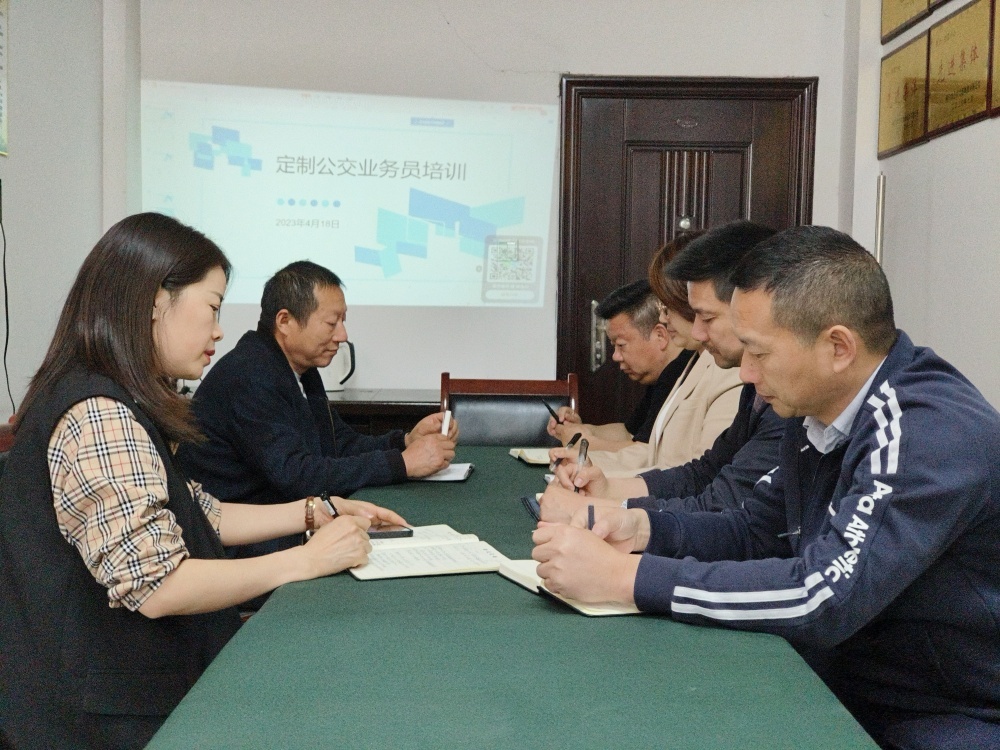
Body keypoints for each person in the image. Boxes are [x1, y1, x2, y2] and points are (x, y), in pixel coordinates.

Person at [532, 225, 1000, 749]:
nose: (747, 374)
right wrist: (638, 528)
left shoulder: (924, 430)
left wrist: (628, 577)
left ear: (838, 347)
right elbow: (756, 530)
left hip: (946, 715)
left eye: (759, 352)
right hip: (849, 682)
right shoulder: (813, 406)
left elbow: (823, 596)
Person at [0, 213, 407, 749]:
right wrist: (306, 560)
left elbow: (196, 511)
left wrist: (316, 510)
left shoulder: (114, 395)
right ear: (154, 302)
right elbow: (158, 586)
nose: (218, 329)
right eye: (213, 306)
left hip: (124, 691)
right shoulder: (99, 412)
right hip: (101, 719)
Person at [177, 261, 457, 558]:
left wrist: (404, 442)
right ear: (285, 321)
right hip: (238, 546)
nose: (342, 335)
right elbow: (297, 477)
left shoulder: (298, 368)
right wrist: (402, 464)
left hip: (281, 528)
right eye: (331, 323)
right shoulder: (250, 375)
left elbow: (337, 444)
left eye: (343, 321)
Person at [541, 221, 785, 523]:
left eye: (705, 316)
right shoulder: (748, 386)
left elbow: (722, 505)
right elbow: (703, 472)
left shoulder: (760, 391)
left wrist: (612, 514)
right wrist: (606, 489)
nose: (695, 331)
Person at [550, 241, 742, 478]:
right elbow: (652, 454)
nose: (662, 317)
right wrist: (584, 463)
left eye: (667, 306)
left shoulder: (729, 370)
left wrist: (591, 467)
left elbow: (701, 476)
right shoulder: (694, 362)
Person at [546, 278, 694, 452]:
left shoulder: (682, 374)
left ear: (660, 336)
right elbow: (628, 432)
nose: (615, 356)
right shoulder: (662, 376)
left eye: (621, 345)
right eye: (613, 346)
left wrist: (584, 444)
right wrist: (581, 430)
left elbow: (647, 452)